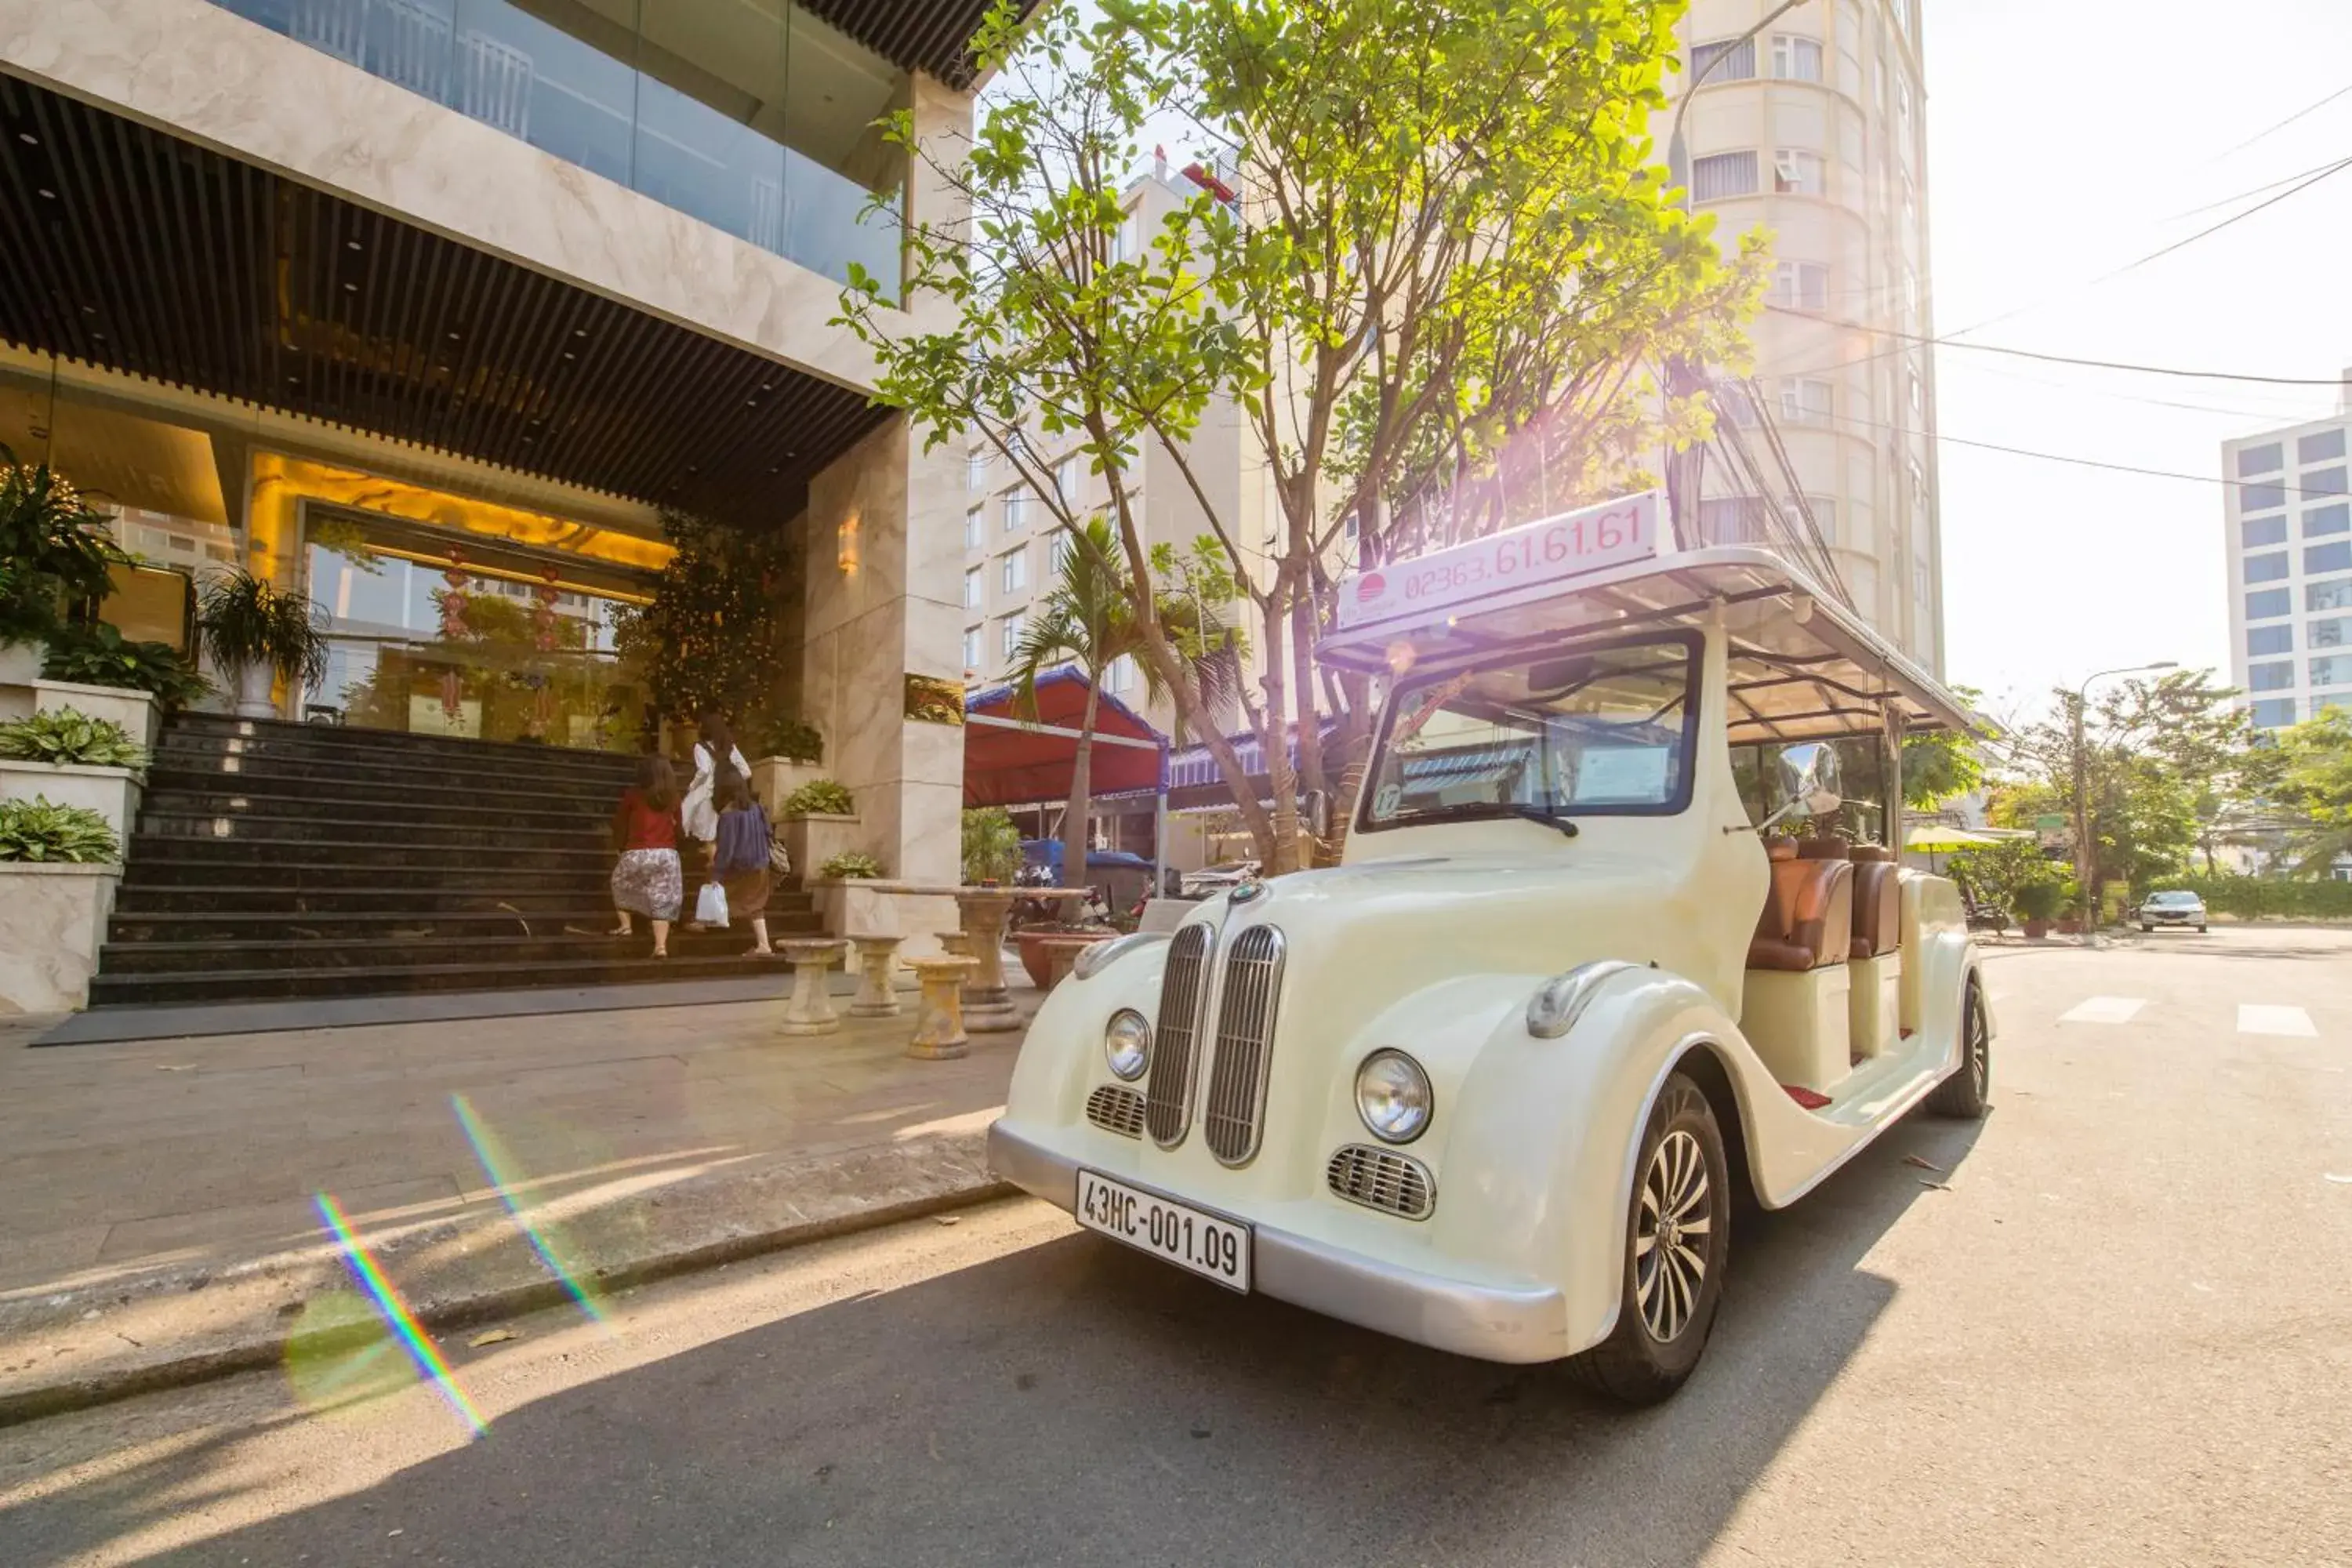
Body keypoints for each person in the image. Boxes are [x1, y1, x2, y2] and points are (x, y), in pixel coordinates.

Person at [609, 753, 684, 958]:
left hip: (637, 851)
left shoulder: (633, 795)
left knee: (619, 883)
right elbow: (680, 829)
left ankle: (626, 925)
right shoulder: (674, 798)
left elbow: (620, 823)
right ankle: (660, 946)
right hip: (667, 854)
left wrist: (619, 847)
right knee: (662, 899)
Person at [707, 768, 777, 956]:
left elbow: (726, 848)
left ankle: (706, 921)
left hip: (740, 867)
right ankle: (764, 944)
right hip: (761, 864)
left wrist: (716, 874)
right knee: (755, 904)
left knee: (722, 893)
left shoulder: (729, 813)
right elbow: (768, 833)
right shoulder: (757, 808)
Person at [681, 708, 753, 872]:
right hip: (731, 796)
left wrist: (692, 786)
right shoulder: (730, 747)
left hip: (709, 793)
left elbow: (704, 771)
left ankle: (714, 867)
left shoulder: (700, 747)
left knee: (709, 836)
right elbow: (747, 772)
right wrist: (730, 779)